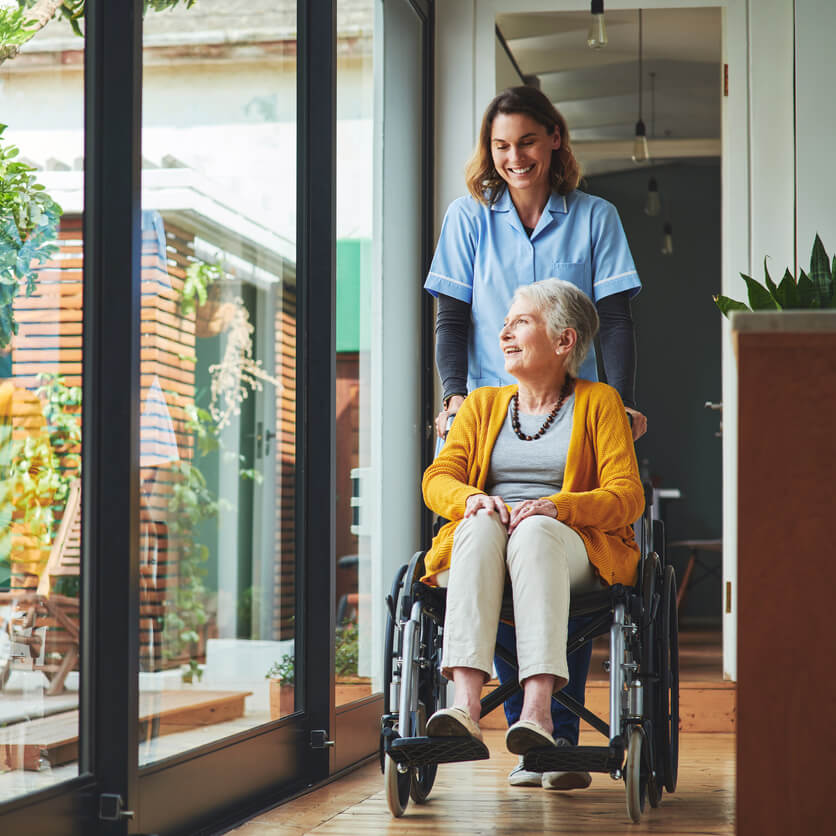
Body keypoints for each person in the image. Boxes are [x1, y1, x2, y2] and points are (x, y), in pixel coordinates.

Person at [424, 85, 645, 788]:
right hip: (496, 406)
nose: (513, 157)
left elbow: (614, 319)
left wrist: (617, 401)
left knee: (545, 536)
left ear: (553, 140)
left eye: (525, 141)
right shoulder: (469, 218)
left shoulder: (594, 218)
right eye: (500, 145)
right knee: (486, 532)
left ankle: (551, 732)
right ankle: (493, 713)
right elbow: (451, 320)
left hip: (570, 407)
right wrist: (455, 399)